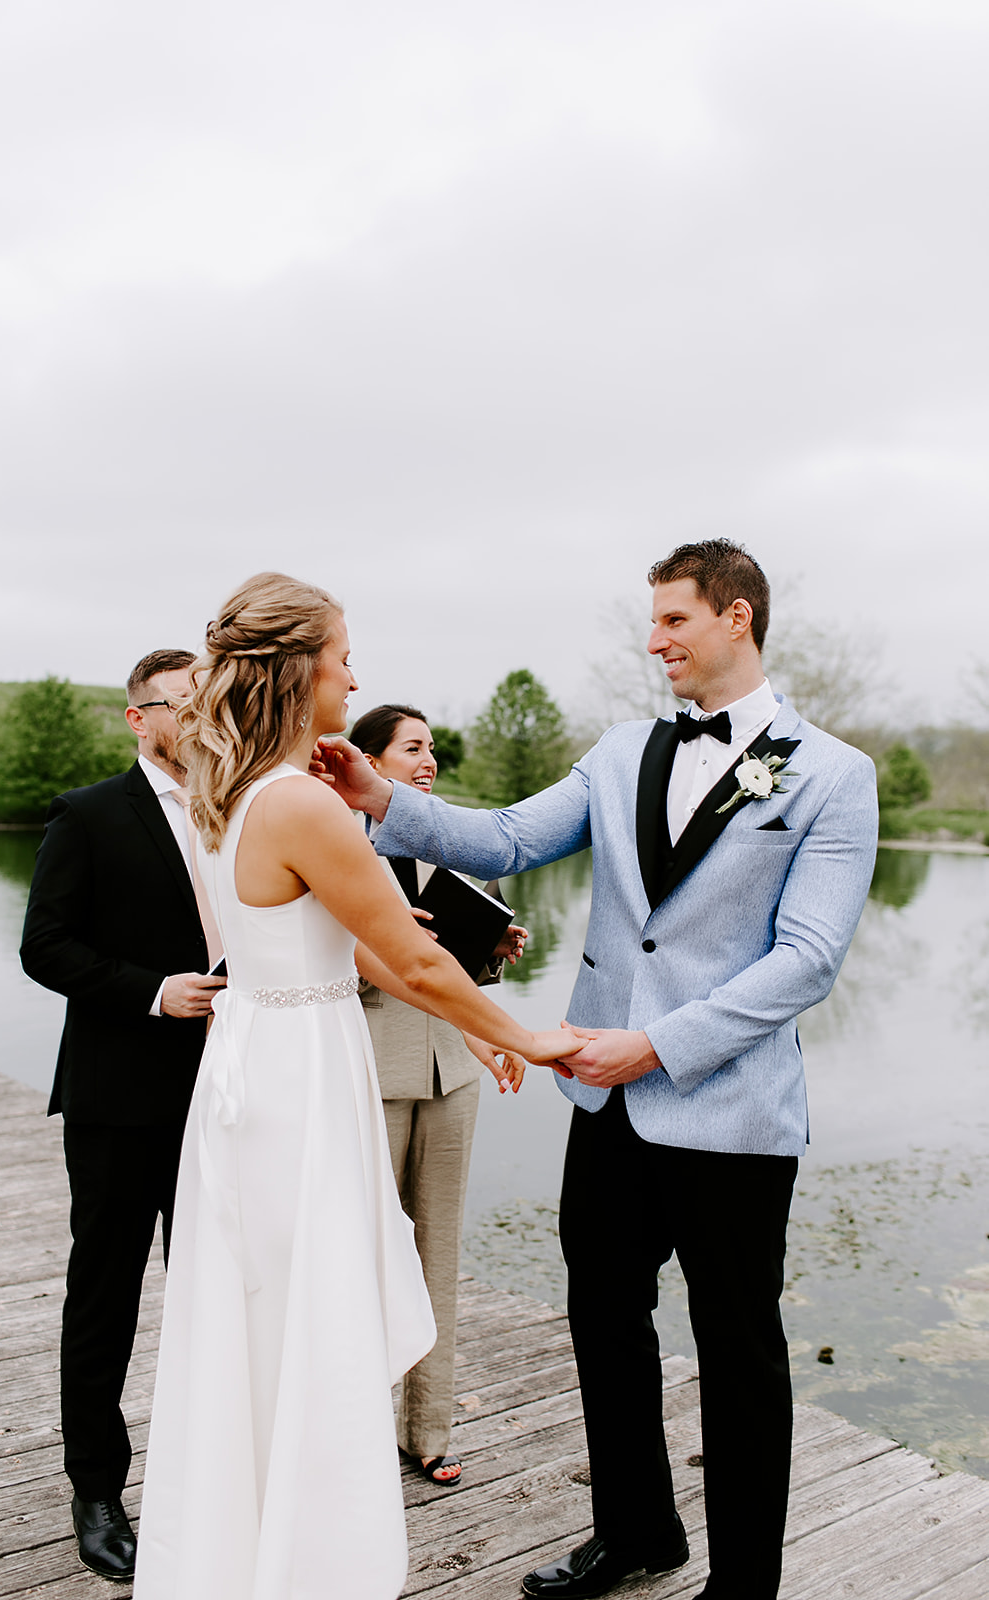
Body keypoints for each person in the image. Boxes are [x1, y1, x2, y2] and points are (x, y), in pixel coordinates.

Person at [318, 539, 879, 1600]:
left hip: (730, 1114)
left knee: (738, 1349)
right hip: (605, 1105)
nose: (654, 636)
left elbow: (804, 960)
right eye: (653, 617)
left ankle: (742, 1585)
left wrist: (657, 1044)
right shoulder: (620, 753)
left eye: (672, 617)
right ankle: (634, 1533)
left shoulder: (829, 774)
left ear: (735, 619)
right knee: (603, 1322)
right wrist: (378, 799)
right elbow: (504, 838)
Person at [131, 573, 579, 1600]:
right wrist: (529, 1036)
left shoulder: (235, 790)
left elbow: (381, 949)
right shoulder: (298, 804)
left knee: (263, 1321)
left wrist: (483, 1027)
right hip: (301, 1087)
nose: (354, 674)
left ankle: (245, 1552)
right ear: (299, 673)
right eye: (342, 656)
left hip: (255, 1069)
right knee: (315, 1321)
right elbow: (414, 963)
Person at [20, 648, 226, 1581]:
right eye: (182, 705)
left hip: (227, 1093)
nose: (200, 718)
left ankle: (212, 1479)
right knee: (105, 1295)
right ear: (139, 718)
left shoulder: (242, 809)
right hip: (118, 1099)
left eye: (208, 701)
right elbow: (43, 946)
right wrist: (152, 992)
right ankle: (96, 1490)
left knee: (217, 1291)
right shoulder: (90, 814)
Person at [349, 703, 529, 1489]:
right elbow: (308, 965)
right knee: (362, 1258)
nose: (427, 763)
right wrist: (381, 952)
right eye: (411, 749)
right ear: (369, 762)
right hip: (366, 1071)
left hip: (451, 1073)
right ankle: (352, 1430)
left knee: (437, 1254)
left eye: (432, 751)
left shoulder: (463, 850)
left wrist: (494, 954)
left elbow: (466, 980)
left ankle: (428, 1430)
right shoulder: (333, 848)